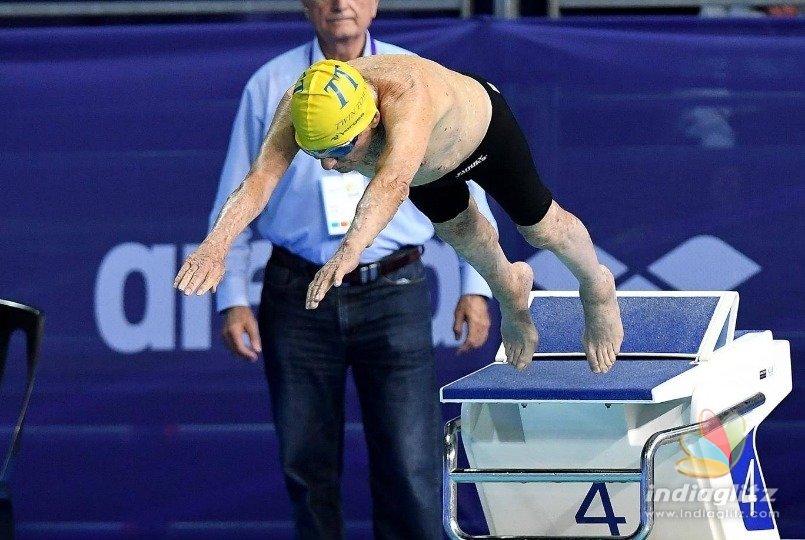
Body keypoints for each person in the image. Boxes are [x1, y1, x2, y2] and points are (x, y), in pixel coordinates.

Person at [194, 2, 496, 539]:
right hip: (296, 292)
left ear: (375, 1)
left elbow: (461, 180)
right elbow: (242, 187)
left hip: (393, 288)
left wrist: (478, 282)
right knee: (307, 469)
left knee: (411, 466)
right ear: (306, 4)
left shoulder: (411, 75)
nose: (340, 4)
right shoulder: (272, 84)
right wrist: (232, 293)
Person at [175, 54, 624, 374]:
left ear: (370, 121)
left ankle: (597, 287)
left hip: (482, 137)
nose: (329, 165)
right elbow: (258, 181)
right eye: (317, 154)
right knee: (468, 238)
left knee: (541, 227)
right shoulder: (301, 103)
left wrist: (348, 251)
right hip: (428, 170)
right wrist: (215, 247)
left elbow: (389, 186)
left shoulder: (404, 97)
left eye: (336, 150)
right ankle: (511, 294)